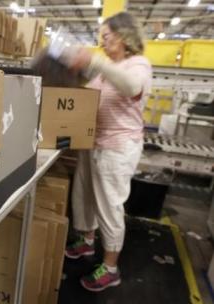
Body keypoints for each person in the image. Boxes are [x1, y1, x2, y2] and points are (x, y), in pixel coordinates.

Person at [62, 12, 152, 292]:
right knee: (85, 195)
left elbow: (131, 86)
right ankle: (87, 242)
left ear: (124, 37)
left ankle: (111, 268)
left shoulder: (138, 65)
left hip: (117, 148)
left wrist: (95, 60)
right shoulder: (107, 68)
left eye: (107, 36)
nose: (102, 42)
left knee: (109, 205)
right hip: (93, 142)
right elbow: (86, 95)